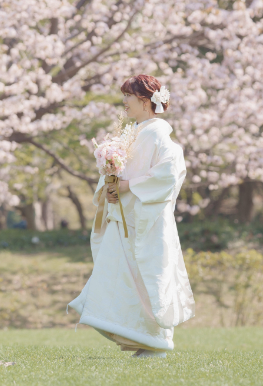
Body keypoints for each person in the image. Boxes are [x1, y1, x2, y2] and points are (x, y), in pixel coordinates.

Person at [69, 75, 195, 359]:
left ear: (144, 100)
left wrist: (127, 186)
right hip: (126, 219)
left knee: (148, 275)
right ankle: (137, 336)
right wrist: (110, 188)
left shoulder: (158, 133)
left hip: (147, 221)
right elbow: (120, 174)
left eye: (128, 96)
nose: (124, 102)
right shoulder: (136, 132)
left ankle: (156, 342)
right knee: (120, 276)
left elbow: (168, 173)